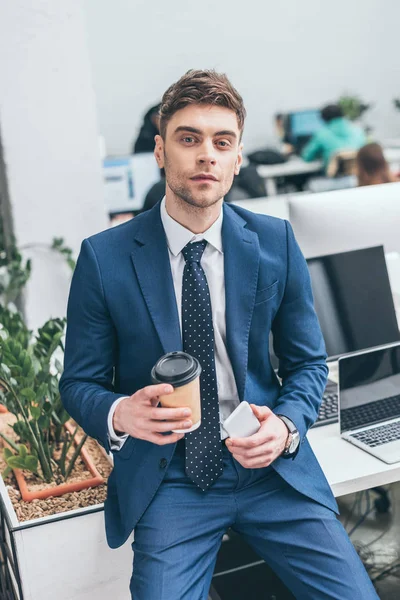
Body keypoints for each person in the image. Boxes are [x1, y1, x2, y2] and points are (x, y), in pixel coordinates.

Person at [60, 70, 379, 599]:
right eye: (189, 139)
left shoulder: (274, 241)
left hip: (270, 468)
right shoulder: (104, 258)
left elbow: (307, 364)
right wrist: (121, 413)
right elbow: (79, 382)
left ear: (237, 158)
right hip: (174, 478)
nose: (206, 154)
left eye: (221, 142)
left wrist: (287, 425)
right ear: (161, 151)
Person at [302, 104, 366, 169]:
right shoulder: (358, 130)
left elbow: (307, 157)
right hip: (357, 175)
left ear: (324, 119)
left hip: (334, 177)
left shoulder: (322, 134)